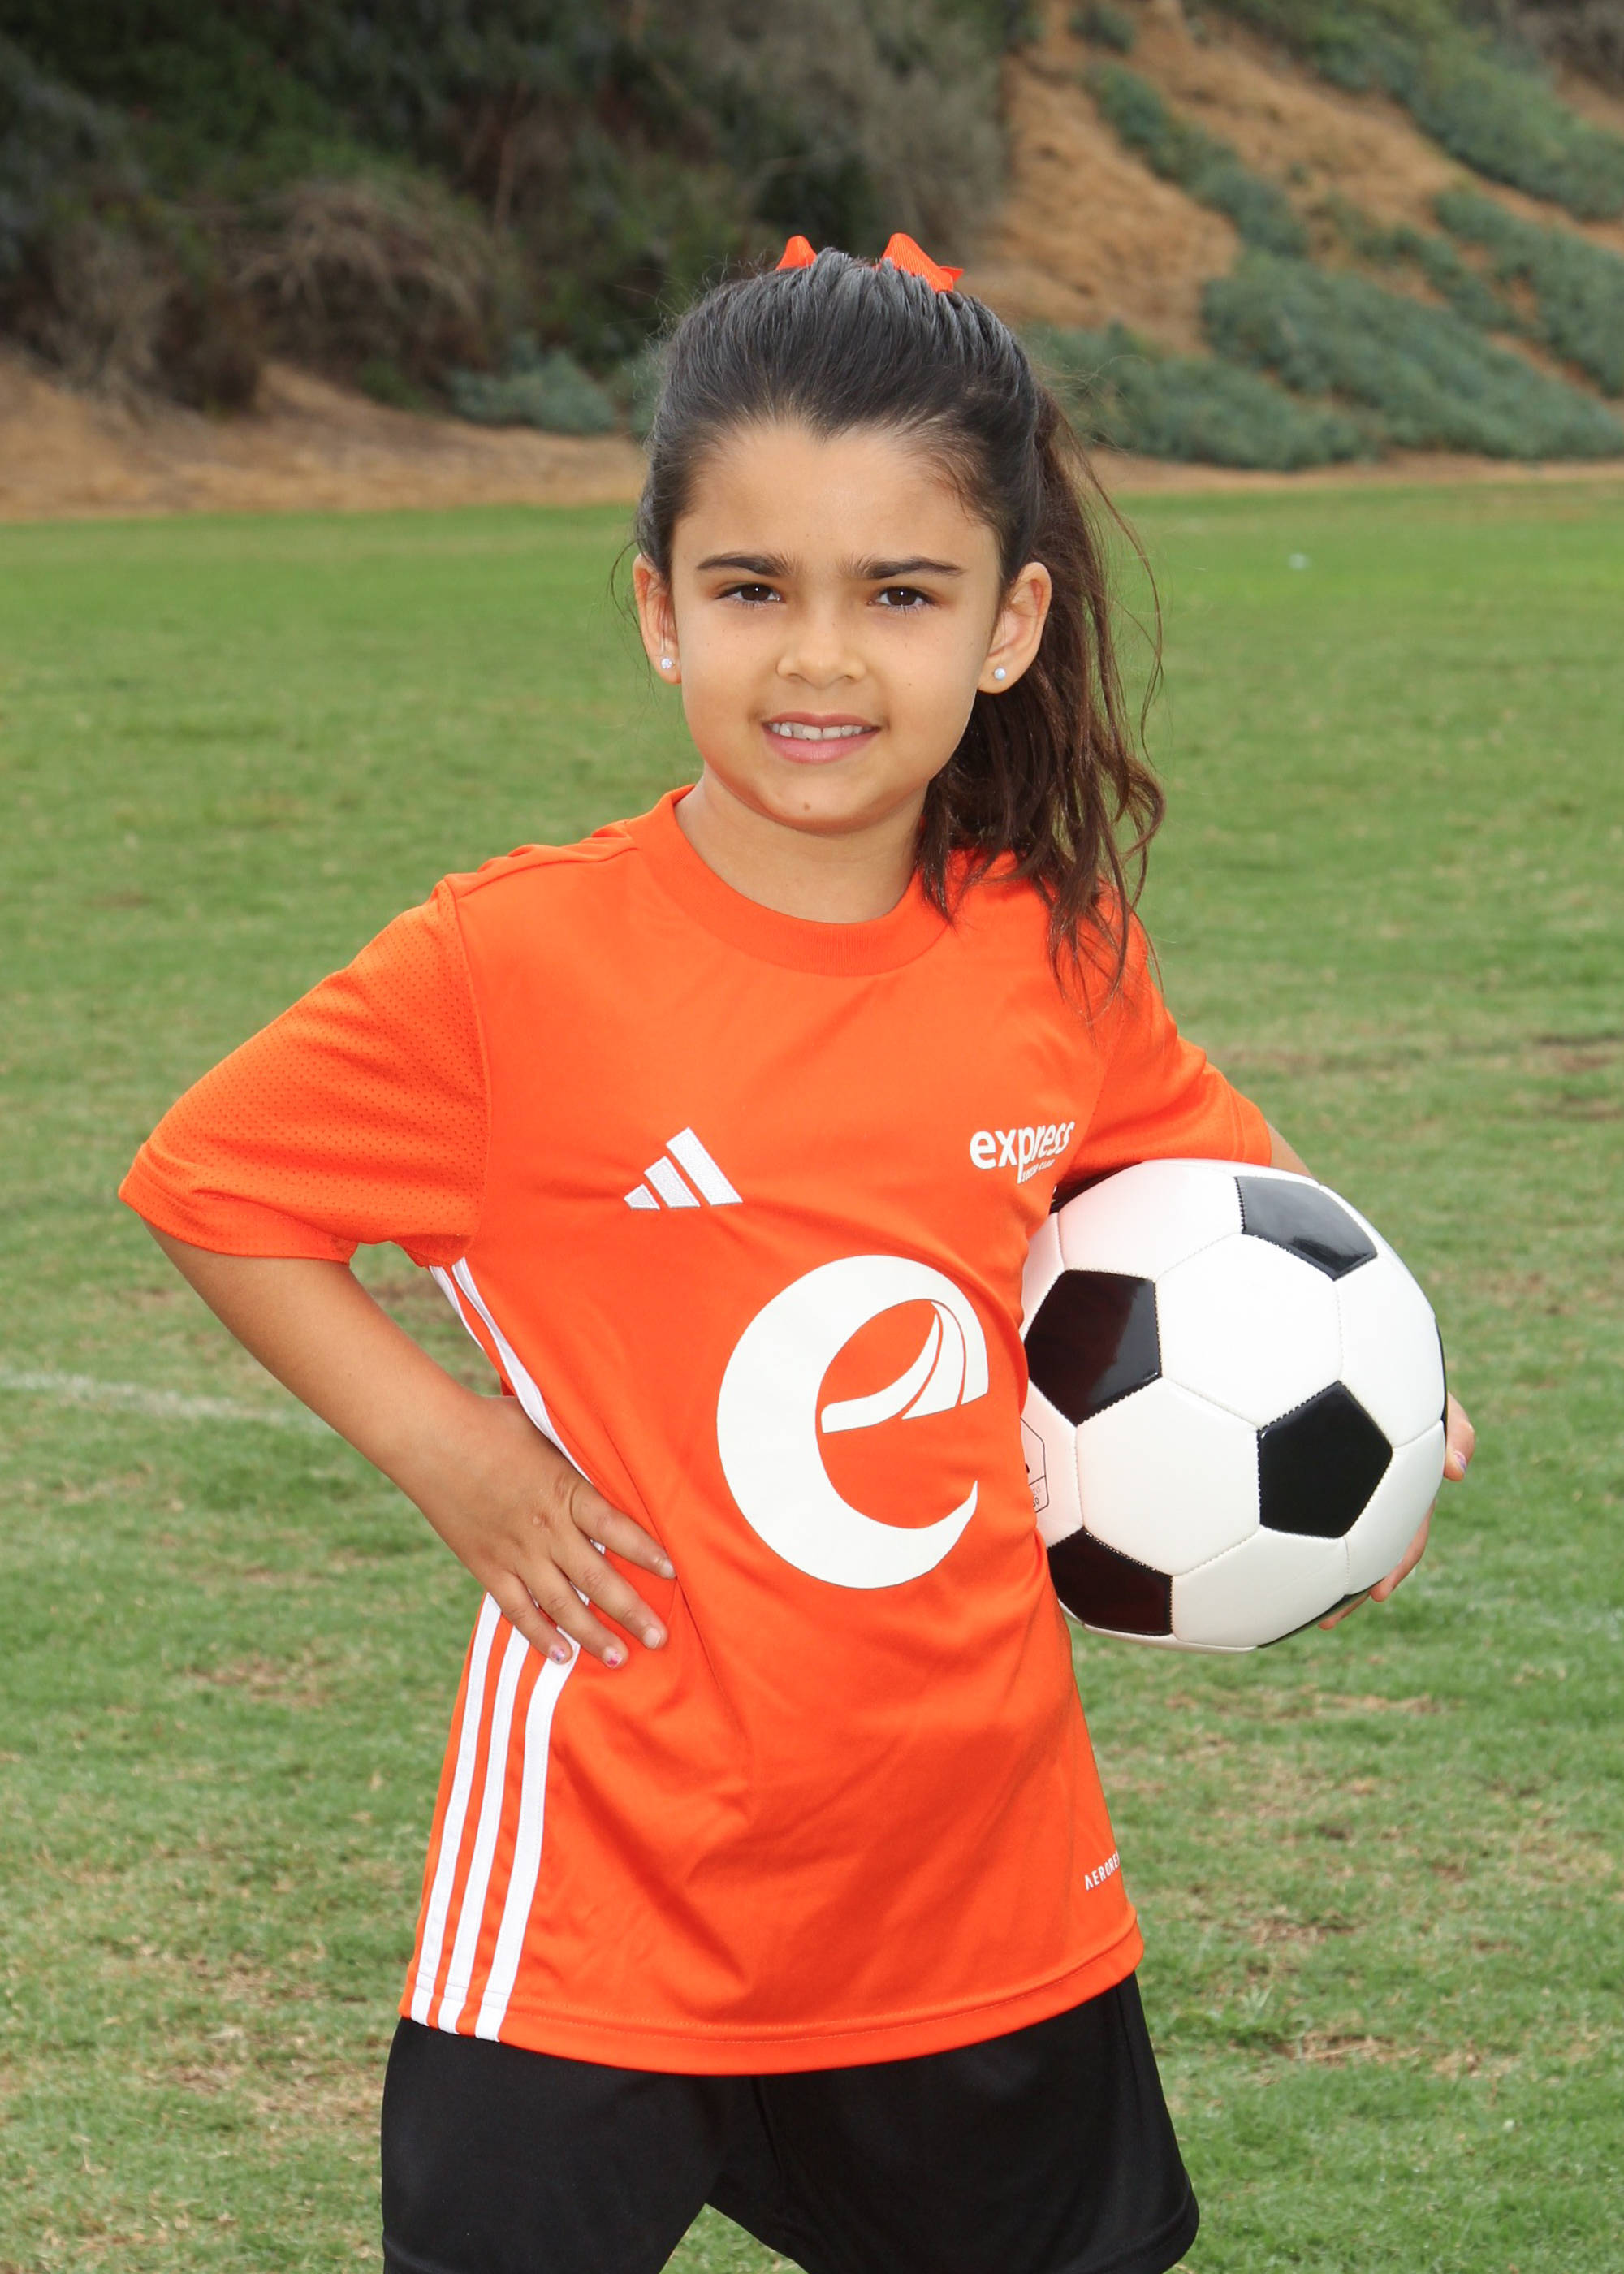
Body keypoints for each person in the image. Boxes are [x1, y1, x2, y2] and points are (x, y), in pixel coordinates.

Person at [121, 233, 1475, 2274]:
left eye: (900, 593)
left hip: (973, 1877)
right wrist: (459, 1455)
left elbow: (1234, 1192)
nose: (819, 659)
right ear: (658, 610)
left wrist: (1385, 1397)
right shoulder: (512, 965)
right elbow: (211, 1182)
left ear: (1010, 623)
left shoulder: (1045, 952)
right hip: (609, 1880)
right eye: (753, 588)